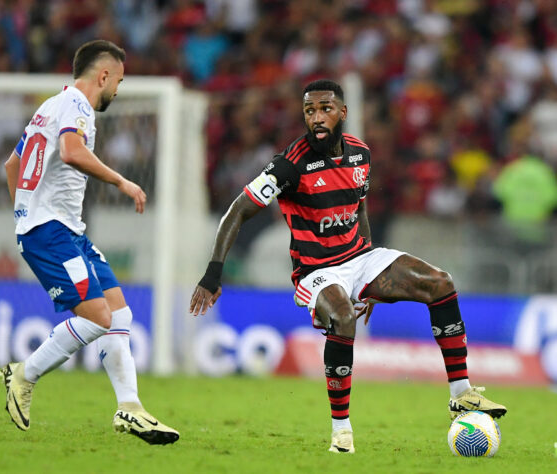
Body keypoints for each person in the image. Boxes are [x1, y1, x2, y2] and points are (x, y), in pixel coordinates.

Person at [189, 79, 506, 454]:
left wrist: (369, 281)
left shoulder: (360, 154)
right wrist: (213, 274)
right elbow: (237, 211)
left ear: (343, 112)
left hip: (360, 257)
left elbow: (360, 208)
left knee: (440, 282)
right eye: (309, 111)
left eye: (324, 108)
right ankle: (341, 430)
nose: (317, 118)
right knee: (343, 316)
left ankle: (461, 393)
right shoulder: (290, 164)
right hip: (316, 270)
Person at [0, 39, 179, 445]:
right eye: (118, 80)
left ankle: (130, 407)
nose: (118, 90)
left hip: (64, 229)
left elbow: (12, 164)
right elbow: (70, 150)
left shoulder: (49, 106)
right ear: (104, 76)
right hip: (52, 231)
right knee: (98, 317)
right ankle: (23, 375)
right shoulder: (79, 106)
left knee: (119, 313)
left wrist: (23, 211)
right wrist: (121, 181)